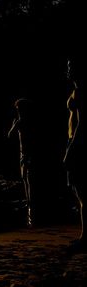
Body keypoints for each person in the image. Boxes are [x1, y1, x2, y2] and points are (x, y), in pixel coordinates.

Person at [64, 55, 87, 250]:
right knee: (79, 191)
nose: (68, 69)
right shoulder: (76, 90)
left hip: (79, 144)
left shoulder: (80, 92)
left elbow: (82, 124)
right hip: (75, 141)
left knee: (82, 192)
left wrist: (72, 149)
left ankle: (85, 236)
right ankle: (84, 234)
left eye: (71, 66)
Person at [8, 98, 38, 227]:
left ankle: (30, 204)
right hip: (28, 153)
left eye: (19, 109)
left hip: (26, 154)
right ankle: (30, 202)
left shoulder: (21, 122)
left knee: (27, 179)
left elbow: (10, 135)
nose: (18, 111)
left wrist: (13, 124)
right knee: (28, 179)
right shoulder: (32, 121)